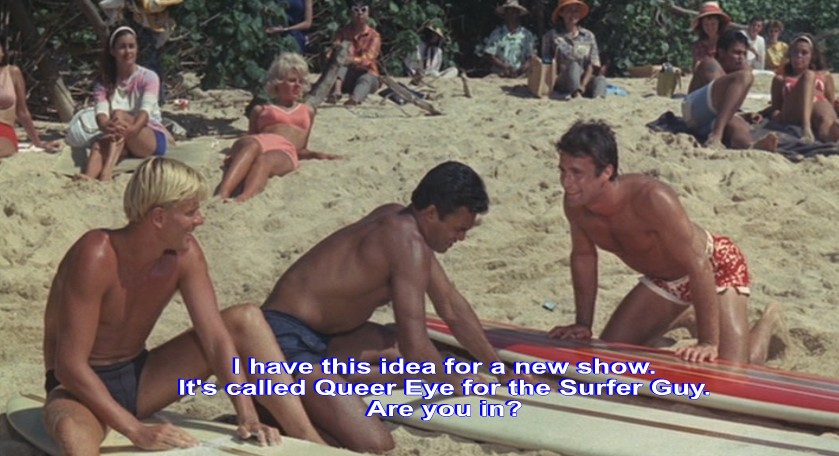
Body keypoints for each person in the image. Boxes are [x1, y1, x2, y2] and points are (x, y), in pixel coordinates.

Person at [42, 157, 325, 454]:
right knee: (75, 436)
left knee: (246, 319)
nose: (200, 219)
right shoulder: (96, 254)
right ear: (159, 217)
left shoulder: (185, 254)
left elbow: (215, 339)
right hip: (79, 387)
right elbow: (69, 366)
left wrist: (247, 415)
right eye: (191, 212)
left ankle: (309, 438)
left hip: (141, 378)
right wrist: (136, 431)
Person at [261, 161, 517, 452]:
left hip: (324, 337)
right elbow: (415, 346)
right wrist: (454, 382)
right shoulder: (406, 242)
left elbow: (450, 304)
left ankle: (316, 393)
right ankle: (276, 410)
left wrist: (500, 370)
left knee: (397, 353)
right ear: (431, 213)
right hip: (281, 343)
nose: (461, 238)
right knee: (375, 442)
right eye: (458, 229)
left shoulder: (401, 220)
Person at [547, 120, 784, 364]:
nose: (566, 182)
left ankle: (768, 322)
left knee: (732, 370)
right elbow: (584, 257)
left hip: (714, 267)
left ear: (606, 172)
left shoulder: (652, 197)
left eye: (577, 173)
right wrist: (583, 324)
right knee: (609, 356)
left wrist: (708, 342)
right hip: (665, 281)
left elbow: (699, 264)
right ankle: (688, 314)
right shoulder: (576, 204)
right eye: (563, 171)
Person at [217, 53, 341, 202]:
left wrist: (318, 155)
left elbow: (301, 148)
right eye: (292, 81)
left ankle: (243, 198)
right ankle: (222, 194)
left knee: (266, 160)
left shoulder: (308, 111)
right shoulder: (261, 110)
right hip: (257, 142)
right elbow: (251, 136)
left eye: (301, 81)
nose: (298, 85)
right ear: (278, 83)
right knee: (252, 146)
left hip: (285, 150)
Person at [84, 26, 168, 181]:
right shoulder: (104, 82)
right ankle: (88, 178)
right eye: (122, 47)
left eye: (131, 46)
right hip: (120, 134)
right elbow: (101, 113)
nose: (127, 51)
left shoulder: (149, 77)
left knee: (119, 115)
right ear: (113, 51)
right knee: (99, 145)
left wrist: (131, 130)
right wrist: (106, 126)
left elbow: (145, 112)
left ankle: (107, 172)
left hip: (148, 135)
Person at [684, 28, 777, 150]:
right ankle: (716, 135)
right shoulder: (710, 64)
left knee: (736, 123)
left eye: (744, 54)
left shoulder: (737, 72)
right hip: (694, 111)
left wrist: (744, 116)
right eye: (737, 53)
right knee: (745, 77)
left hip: (706, 123)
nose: (741, 58)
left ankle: (750, 145)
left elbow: (725, 110)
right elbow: (720, 101)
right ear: (722, 52)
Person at [768, 34, 839, 143]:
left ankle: (829, 135)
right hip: (793, 111)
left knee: (826, 117)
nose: (799, 56)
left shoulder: (825, 76)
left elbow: (830, 102)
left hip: (817, 107)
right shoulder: (781, 79)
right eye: (795, 52)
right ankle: (806, 127)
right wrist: (775, 114)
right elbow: (776, 107)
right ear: (790, 55)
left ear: (812, 56)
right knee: (809, 75)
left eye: (804, 53)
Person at [0, 31, 60, 158]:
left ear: (3, 52)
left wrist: (37, 142)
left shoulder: (12, 72)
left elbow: (22, 111)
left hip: (3, 129)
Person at [542, 0, 606, 98]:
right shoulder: (551, 36)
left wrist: (583, 85)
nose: (573, 14)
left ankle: (598, 99)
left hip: (584, 78)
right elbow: (546, 62)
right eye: (569, 11)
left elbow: (593, 64)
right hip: (562, 79)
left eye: (576, 11)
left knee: (600, 80)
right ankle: (576, 94)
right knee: (574, 66)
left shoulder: (588, 36)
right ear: (561, 13)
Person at [328, 0, 382, 106]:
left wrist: (350, 60)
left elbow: (368, 59)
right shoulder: (343, 32)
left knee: (365, 79)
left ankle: (355, 99)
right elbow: (333, 52)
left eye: (363, 10)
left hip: (367, 73)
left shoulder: (374, 36)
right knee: (340, 67)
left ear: (368, 13)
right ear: (351, 13)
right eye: (356, 10)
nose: (360, 13)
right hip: (346, 76)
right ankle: (336, 92)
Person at [481, 0, 536, 78]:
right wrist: (504, 66)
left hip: (520, 76)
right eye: (508, 12)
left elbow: (531, 57)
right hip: (499, 76)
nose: (511, 15)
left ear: (518, 14)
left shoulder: (526, 35)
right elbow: (489, 55)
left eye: (514, 12)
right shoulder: (497, 33)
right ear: (505, 15)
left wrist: (523, 68)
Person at [690, 2, 731, 70]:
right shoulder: (699, 46)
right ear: (701, 26)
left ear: (719, 23)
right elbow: (696, 68)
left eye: (713, 24)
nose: (710, 27)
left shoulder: (728, 42)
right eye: (706, 24)